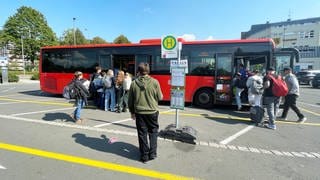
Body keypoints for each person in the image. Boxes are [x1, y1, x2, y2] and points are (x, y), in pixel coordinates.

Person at [128, 63, 163, 163]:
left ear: (139, 71)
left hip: (139, 112)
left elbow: (130, 101)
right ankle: (152, 153)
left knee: (142, 133)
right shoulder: (155, 82)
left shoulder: (134, 83)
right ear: (148, 71)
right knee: (153, 132)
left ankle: (144, 156)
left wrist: (132, 112)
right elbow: (160, 97)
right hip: (152, 111)